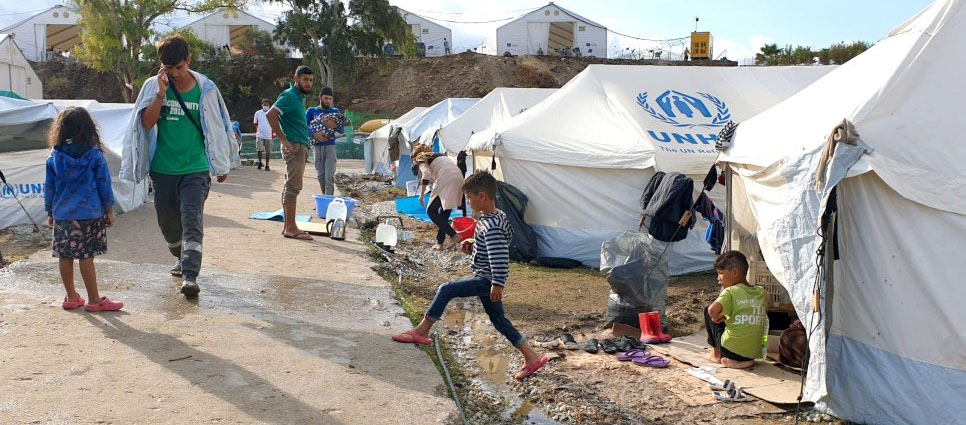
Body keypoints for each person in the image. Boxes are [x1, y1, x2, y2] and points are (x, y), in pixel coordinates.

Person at [392, 171, 548, 380]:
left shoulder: (491, 225)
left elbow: (500, 256)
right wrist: (474, 245)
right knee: (499, 321)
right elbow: (496, 243)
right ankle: (532, 357)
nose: (467, 201)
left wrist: (498, 284)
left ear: (482, 196)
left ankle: (421, 331)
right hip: (488, 277)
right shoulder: (494, 216)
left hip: (487, 280)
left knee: (446, 289)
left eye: (469, 197)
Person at [120, 34, 237, 298]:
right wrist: (161, 94)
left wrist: (222, 162)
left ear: (189, 60)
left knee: (191, 218)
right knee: (168, 225)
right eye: (169, 68)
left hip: (195, 168)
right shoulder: (153, 87)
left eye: (179, 67)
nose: (174, 73)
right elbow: (146, 124)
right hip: (162, 170)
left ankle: (191, 276)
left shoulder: (206, 88)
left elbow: (220, 126)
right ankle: (180, 256)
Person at [44, 107, 123, 312]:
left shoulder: (55, 155)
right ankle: (94, 300)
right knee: (86, 256)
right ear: (89, 128)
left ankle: (71, 297)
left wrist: (50, 212)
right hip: (90, 213)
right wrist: (109, 211)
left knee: (65, 255)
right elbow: (103, 184)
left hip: (63, 214)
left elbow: (49, 186)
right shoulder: (95, 154)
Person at [266, 65, 314, 240]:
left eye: (310, 80)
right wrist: (284, 140)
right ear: (296, 79)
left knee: (291, 186)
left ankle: (288, 226)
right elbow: (270, 115)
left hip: (300, 145)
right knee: (293, 187)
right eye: (305, 80)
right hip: (294, 146)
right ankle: (291, 228)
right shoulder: (289, 96)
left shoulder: (299, 98)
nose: (308, 83)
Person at [705, 251, 768, 369]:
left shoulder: (730, 291)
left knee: (706, 311)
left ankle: (716, 355)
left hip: (731, 350)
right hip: (753, 352)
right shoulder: (762, 292)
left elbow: (712, 310)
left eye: (720, 273)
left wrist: (716, 317)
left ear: (734, 272)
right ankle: (746, 360)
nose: (718, 278)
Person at [412, 145, 463, 250]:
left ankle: (454, 235)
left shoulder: (421, 157)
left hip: (445, 178)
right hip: (459, 177)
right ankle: (440, 243)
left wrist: (421, 195)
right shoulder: (440, 155)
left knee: (431, 211)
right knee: (444, 211)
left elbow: (426, 173)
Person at [305, 87, 341, 195]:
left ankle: (329, 201)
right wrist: (314, 134)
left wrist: (334, 126)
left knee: (329, 176)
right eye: (326, 98)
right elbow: (304, 125)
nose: (328, 101)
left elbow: (341, 129)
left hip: (330, 146)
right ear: (320, 97)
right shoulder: (312, 111)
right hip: (317, 146)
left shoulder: (335, 111)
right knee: (321, 176)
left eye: (330, 99)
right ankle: (324, 199)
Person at [253, 98, 275, 170]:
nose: (265, 106)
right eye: (264, 104)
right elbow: (255, 123)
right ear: (262, 105)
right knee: (259, 149)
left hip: (269, 135)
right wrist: (258, 130)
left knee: (268, 151)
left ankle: (267, 165)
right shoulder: (258, 113)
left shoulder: (272, 113)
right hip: (260, 135)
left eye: (267, 105)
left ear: (269, 105)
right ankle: (259, 162)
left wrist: (273, 134)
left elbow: (275, 124)